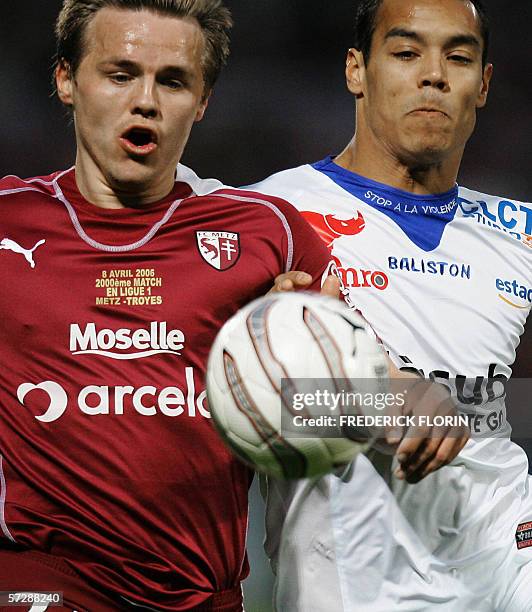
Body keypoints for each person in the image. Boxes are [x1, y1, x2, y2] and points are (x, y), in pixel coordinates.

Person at [0, 1, 340, 610]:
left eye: (174, 81)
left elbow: (354, 410)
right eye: (120, 73)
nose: (147, 102)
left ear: (203, 101)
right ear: (65, 81)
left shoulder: (267, 234)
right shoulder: (7, 221)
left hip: (205, 595)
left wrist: (318, 365)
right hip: (45, 585)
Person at [252, 0, 532, 610]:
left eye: (458, 57)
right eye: (406, 53)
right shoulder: (268, 215)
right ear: (357, 69)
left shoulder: (520, 232)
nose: (433, 74)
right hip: (352, 580)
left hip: (508, 566)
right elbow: (236, 386)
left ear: (482, 84)